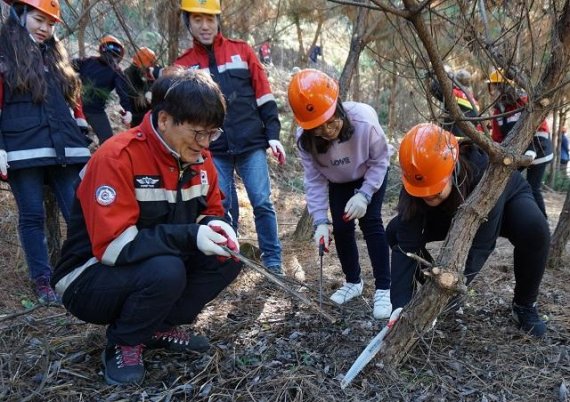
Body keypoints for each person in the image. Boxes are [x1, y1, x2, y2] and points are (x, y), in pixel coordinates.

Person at [51, 70, 243, 385]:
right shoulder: (117, 157)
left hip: (154, 264)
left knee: (226, 258)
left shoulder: (198, 158)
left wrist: (218, 227)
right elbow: (114, 247)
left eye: (213, 134)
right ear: (165, 119)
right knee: (166, 270)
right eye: (198, 133)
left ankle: (156, 326)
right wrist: (191, 235)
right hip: (87, 277)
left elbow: (210, 210)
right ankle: (124, 342)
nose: (206, 144)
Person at [387, 123, 550, 337]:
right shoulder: (416, 177)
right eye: (422, 192)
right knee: (394, 231)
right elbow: (406, 244)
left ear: (452, 169)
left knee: (534, 228)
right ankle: (429, 286)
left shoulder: (482, 170)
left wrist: (447, 294)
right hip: (449, 211)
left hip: (504, 200)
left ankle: (524, 305)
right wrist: (400, 304)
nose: (427, 196)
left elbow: (481, 244)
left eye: (435, 191)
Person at [175, 0, 285, 275]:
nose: (204, 25)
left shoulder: (242, 50)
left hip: (251, 143)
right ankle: (231, 260)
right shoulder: (184, 64)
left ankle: (272, 259)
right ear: (188, 21)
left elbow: (265, 95)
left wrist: (273, 134)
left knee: (262, 201)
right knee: (223, 206)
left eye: (210, 19)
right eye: (198, 19)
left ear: (218, 20)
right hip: (213, 149)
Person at [0, 0, 91, 303]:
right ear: (20, 14)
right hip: (21, 149)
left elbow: (72, 103)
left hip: (64, 147)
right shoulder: (4, 50)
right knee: (32, 216)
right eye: (39, 20)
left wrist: (82, 136)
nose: (45, 28)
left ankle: (83, 271)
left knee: (79, 212)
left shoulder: (55, 55)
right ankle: (42, 281)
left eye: (50, 24)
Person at [288, 69, 392, 319]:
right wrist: (320, 222)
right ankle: (353, 282)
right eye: (318, 128)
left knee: (372, 223)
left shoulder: (364, 121)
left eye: (331, 120)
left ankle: (384, 288)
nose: (328, 130)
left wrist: (365, 195)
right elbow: (314, 180)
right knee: (342, 229)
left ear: (338, 105)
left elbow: (381, 160)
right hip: (339, 182)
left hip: (369, 174)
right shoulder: (305, 140)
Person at [487, 68, 553, 217]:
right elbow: (497, 139)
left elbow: (541, 129)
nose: (494, 91)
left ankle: (541, 219)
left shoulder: (524, 103)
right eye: (492, 87)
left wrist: (532, 149)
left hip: (540, 151)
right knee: (505, 182)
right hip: (517, 155)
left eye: (496, 86)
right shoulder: (498, 113)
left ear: (505, 87)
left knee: (533, 187)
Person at [74, 34, 133, 144]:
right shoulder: (116, 71)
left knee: (79, 137)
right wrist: (128, 110)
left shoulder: (87, 61)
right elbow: (122, 92)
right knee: (108, 142)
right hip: (88, 109)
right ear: (119, 55)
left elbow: (66, 67)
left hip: (78, 107)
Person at [427, 67, 481, 137]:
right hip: (471, 139)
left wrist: (437, 76)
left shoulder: (453, 93)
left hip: (454, 139)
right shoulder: (471, 98)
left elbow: (434, 89)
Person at [124, 47, 161, 127]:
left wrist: (150, 91)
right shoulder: (128, 73)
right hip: (136, 109)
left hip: (150, 107)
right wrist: (144, 95)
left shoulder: (151, 71)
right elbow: (130, 92)